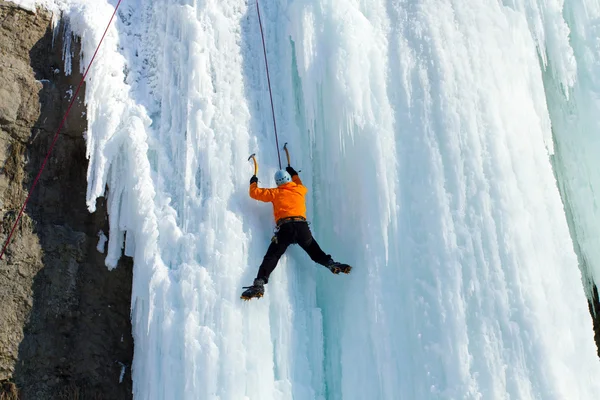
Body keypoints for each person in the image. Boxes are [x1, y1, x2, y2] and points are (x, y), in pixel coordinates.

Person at [241, 166, 351, 300]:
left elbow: (255, 193)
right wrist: (293, 172)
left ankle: (259, 283)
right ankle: (331, 264)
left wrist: (253, 181)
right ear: (289, 179)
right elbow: (298, 181)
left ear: (277, 183)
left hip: (285, 228)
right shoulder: (300, 189)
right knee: (314, 251)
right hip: (302, 227)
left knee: (272, 256)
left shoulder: (275, 192)